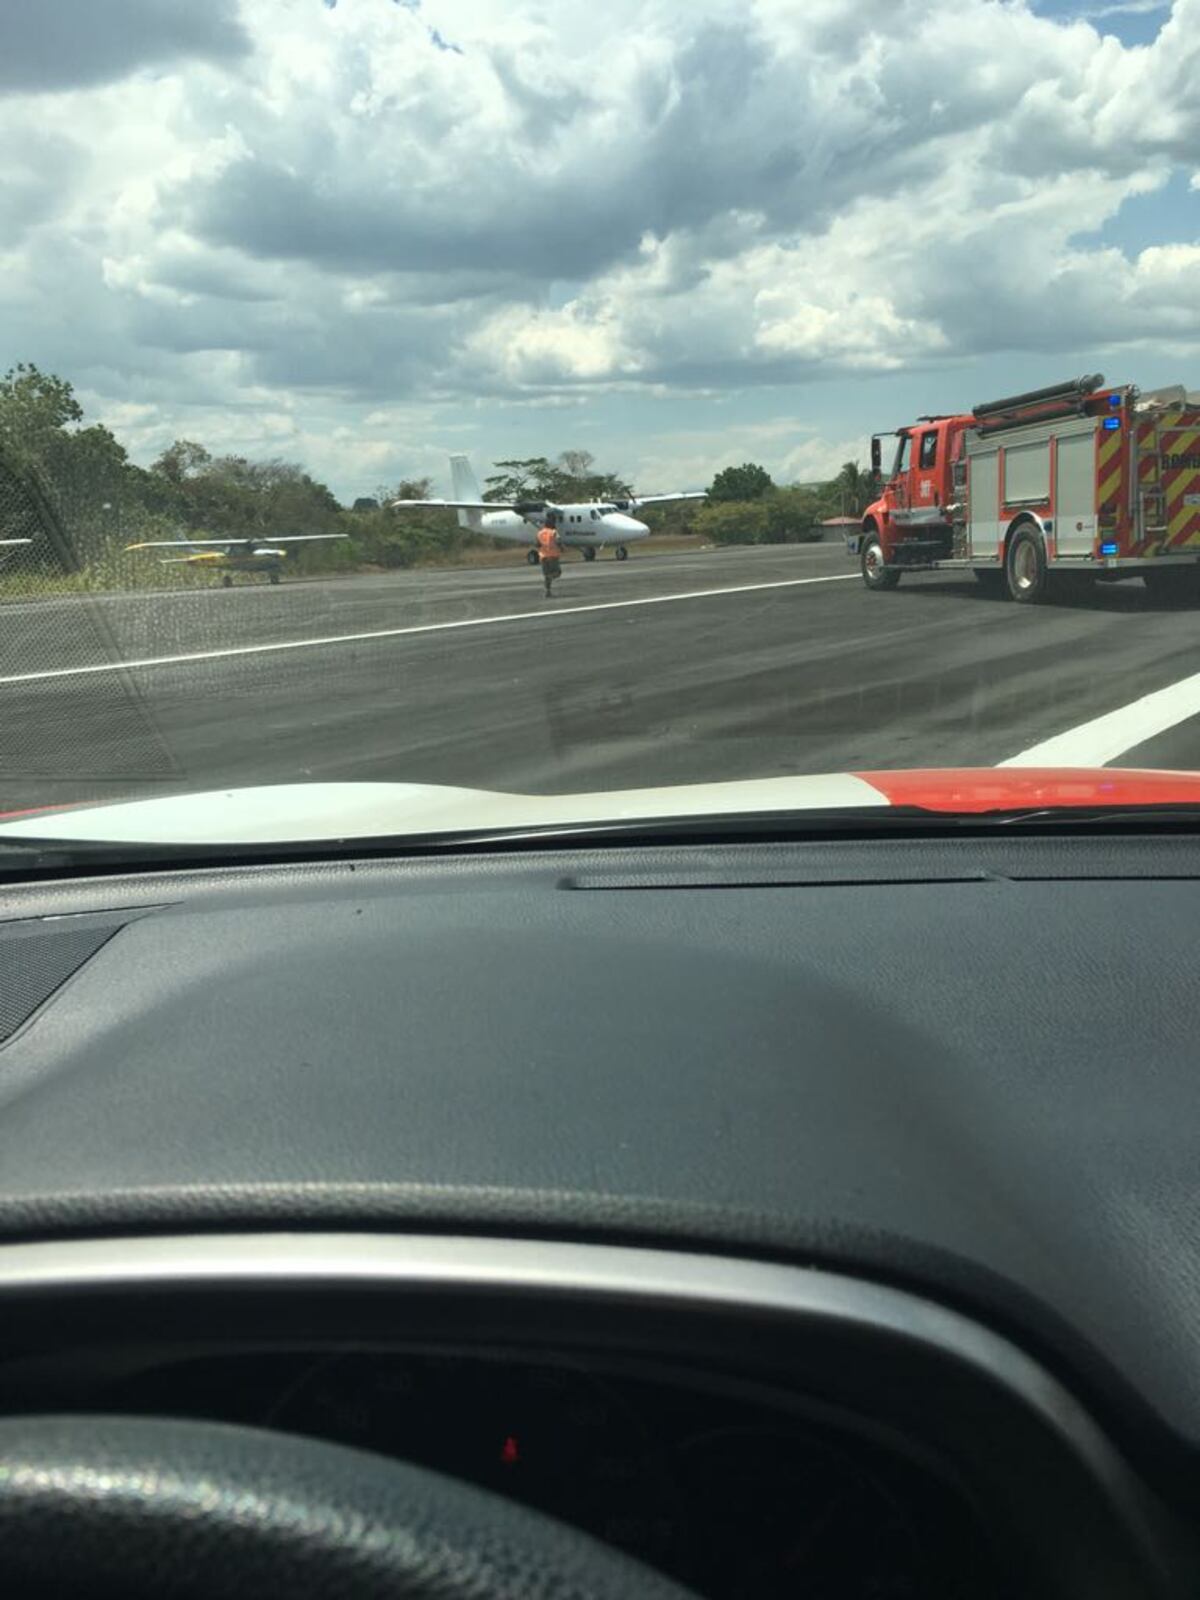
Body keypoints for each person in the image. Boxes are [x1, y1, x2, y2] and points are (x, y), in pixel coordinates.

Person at [536, 517, 563, 598]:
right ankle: (550, 578)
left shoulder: (539, 533)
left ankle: (547, 592)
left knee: (546, 574)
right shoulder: (553, 532)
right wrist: (561, 548)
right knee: (557, 572)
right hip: (553, 556)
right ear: (551, 524)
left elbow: (537, 544)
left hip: (543, 556)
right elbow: (558, 540)